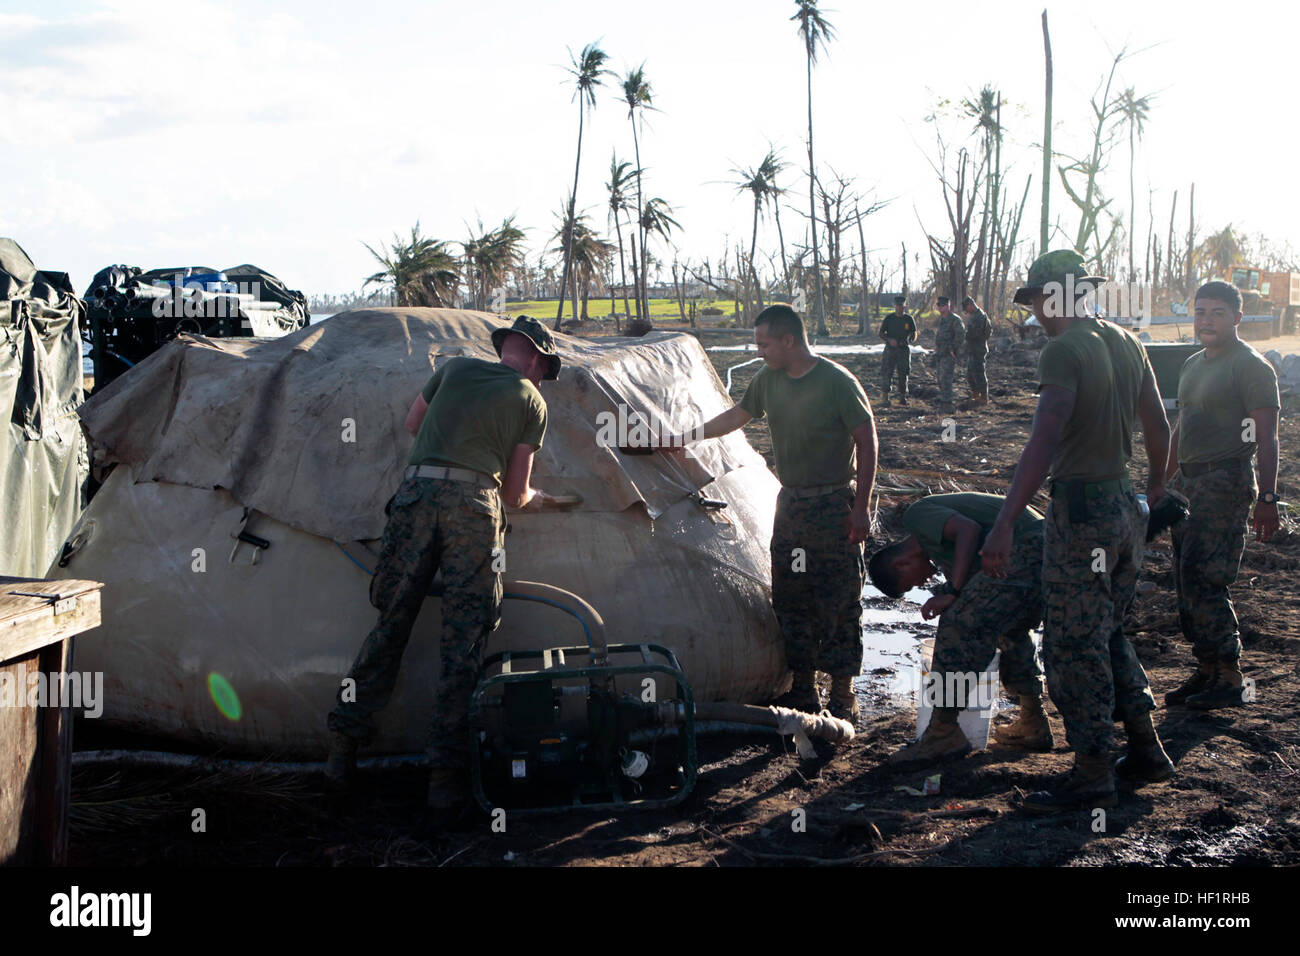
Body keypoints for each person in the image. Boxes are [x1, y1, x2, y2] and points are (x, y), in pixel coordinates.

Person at [325, 315, 560, 825]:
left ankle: (342, 753)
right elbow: (515, 493)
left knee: (390, 626)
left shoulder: (453, 369)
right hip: (473, 509)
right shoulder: (532, 400)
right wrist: (538, 499)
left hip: (415, 494)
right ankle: (444, 779)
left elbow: (414, 425)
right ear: (538, 360)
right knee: (464, 640)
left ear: (506, 349)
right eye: (545, 369)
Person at [981, 249, 1175, 813]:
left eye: (1038, 300)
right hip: (1123, 507)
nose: (1036, 314)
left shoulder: (1065, 351)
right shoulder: (1125, 341)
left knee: (1070, 643)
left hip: (1082, 515)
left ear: (1055, 295)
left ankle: (1092, 770)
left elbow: (1044, 439)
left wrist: (1004, 522)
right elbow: (1159, 425)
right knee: (1107, 631)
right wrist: (1155, 488)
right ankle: (1145, 748)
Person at [662, 304, 878, 720]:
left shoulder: (837, 383)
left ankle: (842, 691)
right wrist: (685, 438)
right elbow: (737, 416)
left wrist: (862, 507)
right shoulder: (768, 380)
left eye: (764, 344)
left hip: (834, 504)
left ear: (788, 340)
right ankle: (803, 686)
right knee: (791, 593)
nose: (759, 351)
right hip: (792, 503)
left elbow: (867, 441)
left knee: (839, 596)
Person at [1164, 280, 1281, 710]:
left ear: (1237, 317)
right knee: (1184, 577)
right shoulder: (1193, 363)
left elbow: (1267, 439)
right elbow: (1183, 426)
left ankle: (1230, 677)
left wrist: (1267, 499)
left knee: (1207, 577)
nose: (1206, 320)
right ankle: (1207, 668)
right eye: (1200, 312)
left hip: (1226, 482)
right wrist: (1163, 480)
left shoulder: (1251, 366)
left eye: (1217, 313)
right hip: (1189, 483)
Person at [868, 493, 1051, 767]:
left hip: (1026, 544)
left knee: (958, 621)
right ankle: (1032, 720)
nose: (920, 584)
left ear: (901, 563)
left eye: (910, 585)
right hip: (1043, 546)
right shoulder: (942, 549)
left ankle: (943, 731)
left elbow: (969, 529)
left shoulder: (917, 517)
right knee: (1007, 623)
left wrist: (953, 592)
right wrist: (953, 588)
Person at [879, 295, 917, 406]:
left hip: (903, 350)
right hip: (890, 350)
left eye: (901, 306)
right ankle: (885, 396)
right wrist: (889, 340)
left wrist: (908, 341)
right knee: (887, 371)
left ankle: (902, 396)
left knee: (903, 373)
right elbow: (881, 333)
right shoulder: (889, 318)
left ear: (905, 307)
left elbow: (914, 333)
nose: (899, 308)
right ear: (895, 306)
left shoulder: (908, 319)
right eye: (897, 306)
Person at [934, 296, 965, 409]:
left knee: (946, 378)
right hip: (940, 352)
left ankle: (947, 403)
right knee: (940, 378)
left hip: (949, 353)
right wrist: (937, 346)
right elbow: (940, 334)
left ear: (948, 306)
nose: (941, 308)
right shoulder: (942, 319)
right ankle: (944, 399)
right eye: (939, 306)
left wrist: (953, 348)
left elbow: (961, 335)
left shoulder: (955, 320)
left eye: (943, 306)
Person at [963, 295, 992, 404]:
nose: (966, 312)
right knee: (970, 373)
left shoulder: (980, 317)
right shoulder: (975, 316)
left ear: (970, 305)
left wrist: (965, 335)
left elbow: (977, 334)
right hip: (973, 348)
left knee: (979, 372)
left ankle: (984, 396)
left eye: (966, 310)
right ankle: (975, 393)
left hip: (978, 349)